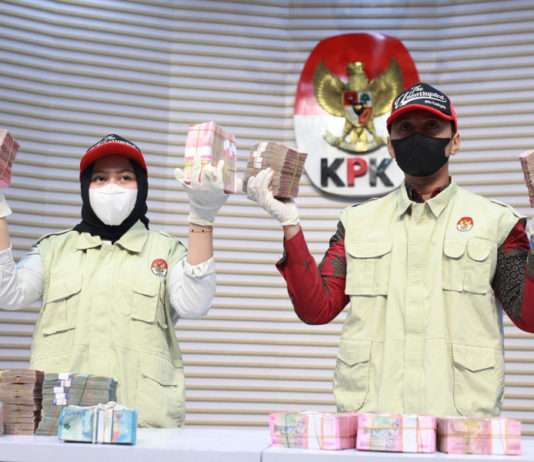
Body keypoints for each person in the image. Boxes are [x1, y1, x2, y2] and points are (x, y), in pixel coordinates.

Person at [246, 82, 534, 418]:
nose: (418, 137)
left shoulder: (497, 223)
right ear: (391, 146)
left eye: (431, 127)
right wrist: (290, 224)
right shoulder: (358, 222)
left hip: (460, 423)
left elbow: (529, 317)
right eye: (405, 128)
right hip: (374, 423)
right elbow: (316, 309)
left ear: (455, 142)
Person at [0, 133, 229, 427]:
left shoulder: (166, 251)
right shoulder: (53, 250)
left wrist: (202, 218)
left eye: (124, 178)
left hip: (145, 429)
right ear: (85, 187)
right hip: (63, 428)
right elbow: (8, 294)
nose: (111, 187)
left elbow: (195, 305)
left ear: (141, 186)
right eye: (99, 178)